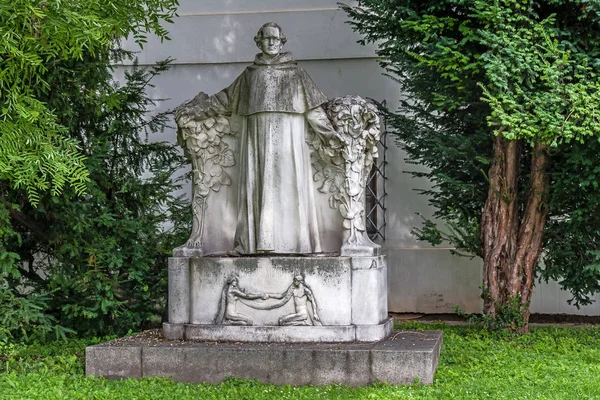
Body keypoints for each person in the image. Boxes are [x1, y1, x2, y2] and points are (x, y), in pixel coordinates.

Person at [178, 22, 342, 255]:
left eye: (276, 39)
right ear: (259, 41)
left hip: (288, 139)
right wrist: (199, 110)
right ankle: (256, 243)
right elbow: (225, 100)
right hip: (257, 137)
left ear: (282, 41)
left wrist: (330, 135)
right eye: (267, 39)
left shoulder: (296, 75)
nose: (272, 42)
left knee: (288, 186)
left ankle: (294, 243)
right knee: (259, 186)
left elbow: (314, 111)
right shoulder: (250, 75)